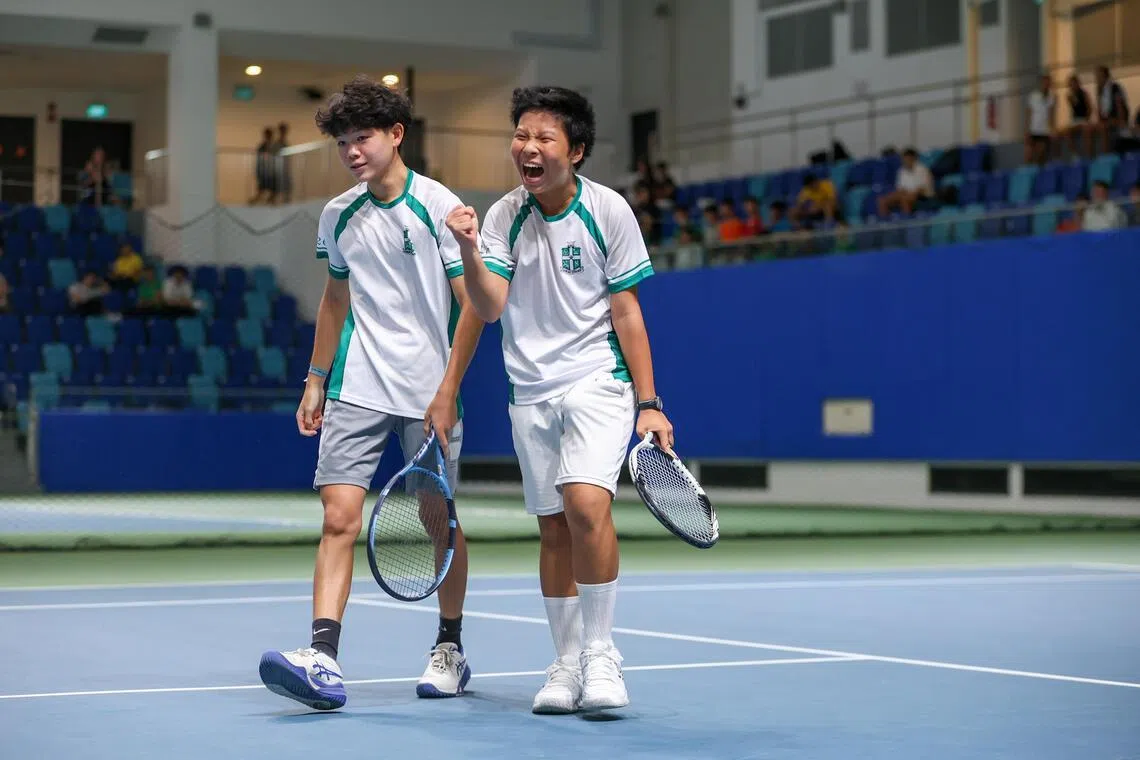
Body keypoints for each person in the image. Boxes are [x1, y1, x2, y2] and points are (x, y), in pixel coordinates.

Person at [258, 75, 485, 711]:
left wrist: (448, 390)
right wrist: (315, 378)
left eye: (363, 138)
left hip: (428, 390)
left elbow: (470, 307)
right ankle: (322, 658)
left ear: (396, 135)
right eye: (343, 143)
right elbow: (335, 298)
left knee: (438, 520)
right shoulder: (339, 215)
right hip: (357, 385)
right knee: (337, 518)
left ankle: (450, 646)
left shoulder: (440, 206)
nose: (353, 151)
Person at [446, 86, 675, 715]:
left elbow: (627, 312)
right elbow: (488, 308)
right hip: (531, 390)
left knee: (584, 501)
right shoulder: (503, 217)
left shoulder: (609, 211)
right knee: (552, 529)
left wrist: (649, 401)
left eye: (544, 138)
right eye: (521, 135)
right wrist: (467, 248)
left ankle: (602, 653)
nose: (528, 147)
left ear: (574, 151)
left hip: (598, 379)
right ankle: (567, 661)